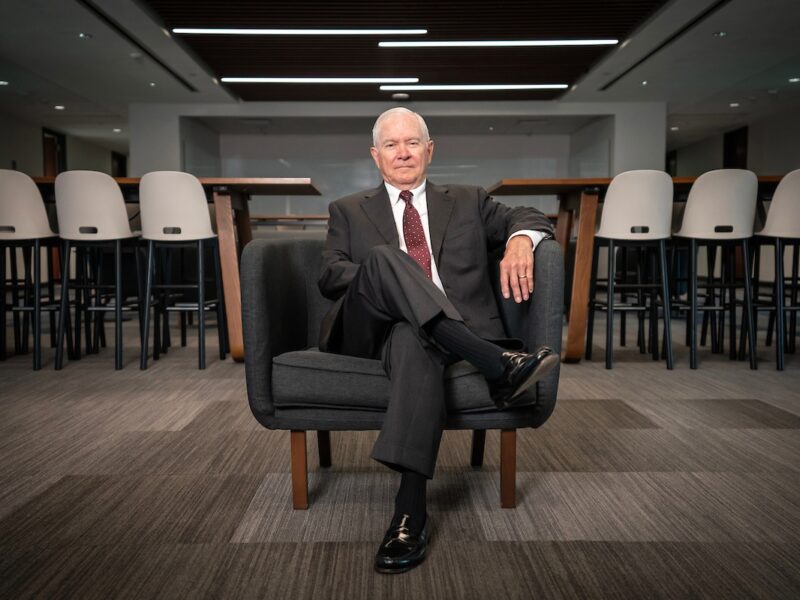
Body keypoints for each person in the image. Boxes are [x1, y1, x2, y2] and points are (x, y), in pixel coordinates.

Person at [318, 107, 558, 574]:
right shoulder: (347, 209)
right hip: (372, 327)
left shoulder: (468, 199)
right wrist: (391, 276)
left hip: (421, 335)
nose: (403, 152)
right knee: (386, 260)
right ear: (375, 155)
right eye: (391, 145)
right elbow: (329, 276)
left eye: (412, 143)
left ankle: (410, 513)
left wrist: (519, 242)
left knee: (415, 338)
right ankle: (496, 362)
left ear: (430, 150)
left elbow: (529, 214)